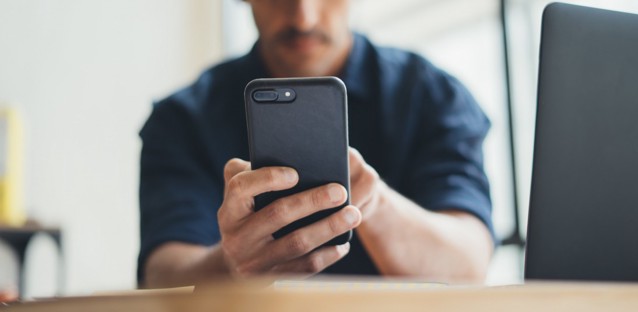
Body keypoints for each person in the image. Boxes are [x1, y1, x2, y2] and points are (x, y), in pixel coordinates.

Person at [139, 0, 494, 288]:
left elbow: (470, 263)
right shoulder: (183, 120)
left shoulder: (434, 97)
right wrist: (229, 267)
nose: (303, 16)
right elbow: (161, 274)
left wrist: (373, 203)